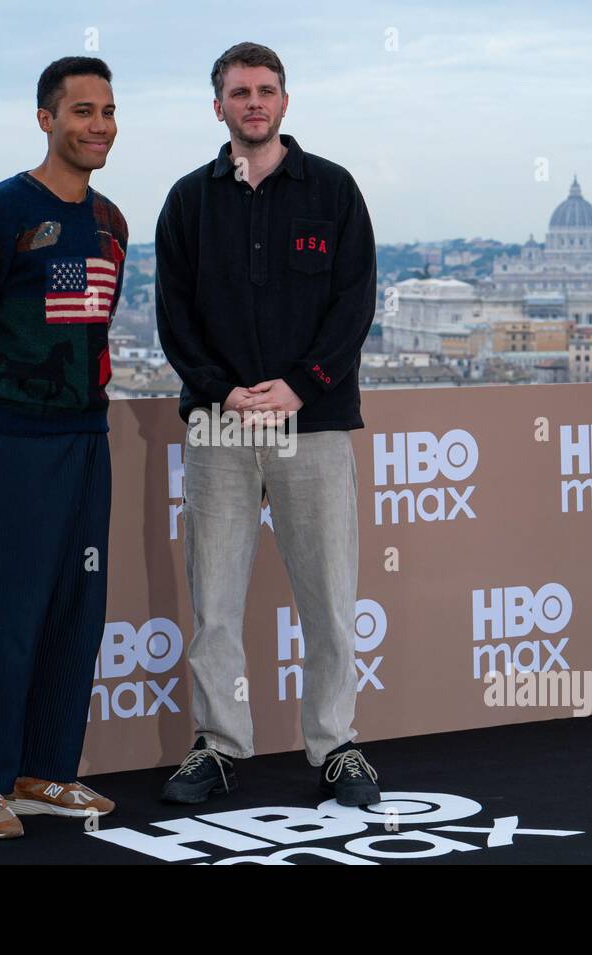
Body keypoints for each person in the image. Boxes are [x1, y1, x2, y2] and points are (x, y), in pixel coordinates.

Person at [154, 42, 381, 807]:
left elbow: (354, 303)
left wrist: (301, 386)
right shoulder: (188, 201)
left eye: (266, 90)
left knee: (330, 597)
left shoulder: (334, 190)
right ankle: (217, 744)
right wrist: (223, 392)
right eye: (239, 91)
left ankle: (336, 743)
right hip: (220, 423)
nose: (253, 102)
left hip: (312, 421)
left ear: (285, 100)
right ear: (217, 105)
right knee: (215, 600)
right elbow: (173, 316)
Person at [0, 56, 127, 839]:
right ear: (46, 119)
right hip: (11, 439)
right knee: (1, 612)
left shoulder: (111, 222)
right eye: (82, 111)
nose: (98, 125)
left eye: (108, 111)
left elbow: (97, 335)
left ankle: (46, 770)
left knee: (77, 608)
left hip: (87, 436)